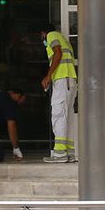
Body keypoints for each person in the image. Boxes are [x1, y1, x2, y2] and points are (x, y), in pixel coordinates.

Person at [39, 26, 77, 162]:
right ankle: (69, 152)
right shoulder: (64, 40)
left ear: (43, 32)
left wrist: (48, 76)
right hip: (69, 80)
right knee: (67, 117)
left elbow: (57, 53)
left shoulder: (52, 36)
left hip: (62, 80)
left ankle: (60, 154)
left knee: (58, 115)